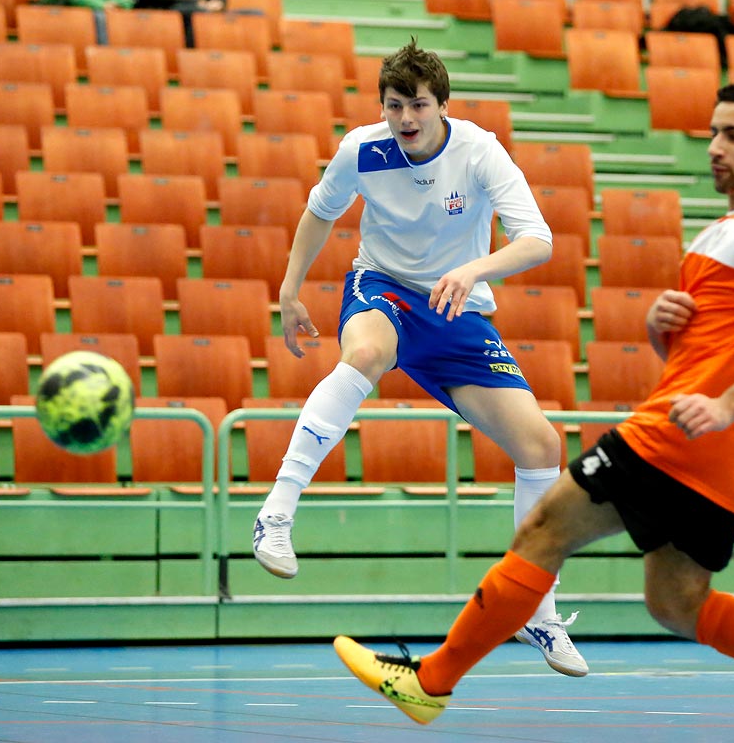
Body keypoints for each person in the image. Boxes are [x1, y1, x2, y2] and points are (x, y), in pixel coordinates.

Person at [333, 78, 734, 743]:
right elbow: (712, 350)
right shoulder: (724, 232)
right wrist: (662, 329)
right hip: (714, 450)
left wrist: (726, 404)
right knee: (676, 604)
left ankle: (430, 683)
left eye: (732, 136)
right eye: (711, 132)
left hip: (683, 437)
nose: (714, 147)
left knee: (542, 529)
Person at [251, 39, 588, 678]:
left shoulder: (480, 151)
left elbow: (537, 240)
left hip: (456, 306)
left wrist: (473, 270)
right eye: (395, 105)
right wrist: (291, 290)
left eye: (419, 105)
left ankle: (536, 611)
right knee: (368, 352)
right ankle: (276, 511)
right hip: (382, 286)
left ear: (441, 106)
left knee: (541, 448)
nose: (406, 119)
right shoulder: (362, 149)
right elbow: (320, 213)